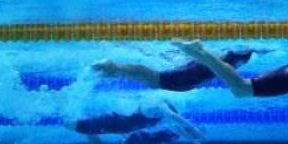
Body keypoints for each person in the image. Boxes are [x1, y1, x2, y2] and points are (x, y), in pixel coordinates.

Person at [67, 102, 203, 144]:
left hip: (131, 135)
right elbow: (174, 118)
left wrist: (193, 140)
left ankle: (84, 126)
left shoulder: (173, 126)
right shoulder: (159, 105)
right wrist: (193, 130)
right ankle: (66, 111)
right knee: (75, 125)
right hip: (124, 127)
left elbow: (176, 124)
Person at [91, 48, 264, 92]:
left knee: (153, 76)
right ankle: (113, 69)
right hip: (188, 79)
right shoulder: (240, 54)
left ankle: (113, 69)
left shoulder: (240, 54)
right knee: (153, 77)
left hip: (189, 78)